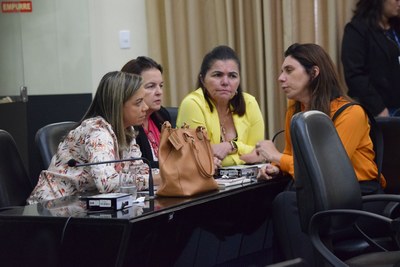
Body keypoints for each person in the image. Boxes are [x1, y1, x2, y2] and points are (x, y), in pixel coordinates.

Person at [255, 43, 387, 265]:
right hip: (322, 199)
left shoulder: (351, 113)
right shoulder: (295, 111)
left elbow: (330, 176)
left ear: (314, 73)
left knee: (288, 205)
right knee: (280, 202)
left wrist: (276, 157)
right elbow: (292, 158)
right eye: (281, 71)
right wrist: (275, 168)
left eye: (289, 70)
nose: (280, 78)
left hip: (361, 199)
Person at [27, 71, 151, 204]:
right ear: (117, 104)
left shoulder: (127, 129)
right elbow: (107, 183)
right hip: (53, 205)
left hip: (83, 204)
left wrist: (166, 175)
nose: (146, 107)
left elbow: (139, 169)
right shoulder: (97, 132)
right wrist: (155, 179)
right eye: (138, 102)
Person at [176, 45, 265, 167]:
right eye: (217, 75)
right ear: (202, 79)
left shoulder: (249, 103)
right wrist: (245, 156)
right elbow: (198, 159)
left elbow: (259, 153)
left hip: (250, 182)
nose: (225, 82)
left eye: (232, 76)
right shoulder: (192, 104)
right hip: (207, 184)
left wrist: (231, 146)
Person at [341, 0, 400, 117]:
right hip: (379, 111)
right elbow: (354, 74)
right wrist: (379, 108)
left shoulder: (396, 27)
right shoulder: (357, 30)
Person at [121, 56, 171, 168]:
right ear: (131, 88)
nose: (159, 92)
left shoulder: (162, 115)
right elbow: (140, 166)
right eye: (151, 86)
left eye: (161, 86)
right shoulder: (127, 123)